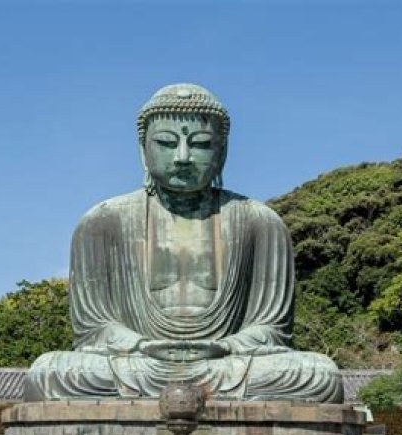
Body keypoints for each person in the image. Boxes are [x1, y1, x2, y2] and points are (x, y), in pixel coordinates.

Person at [25, 84, 343, 402]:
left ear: (222, 152)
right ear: (143, 150)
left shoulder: (260, 222)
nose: (182, 158)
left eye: (200, 144)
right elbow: (94, 328)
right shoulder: (103, 222)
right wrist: (140, 345)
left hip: (225, 363)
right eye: (166, 143)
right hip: (139, 363)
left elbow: (271, 329)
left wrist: (226, 346)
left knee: (319, 374)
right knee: (48, 373)